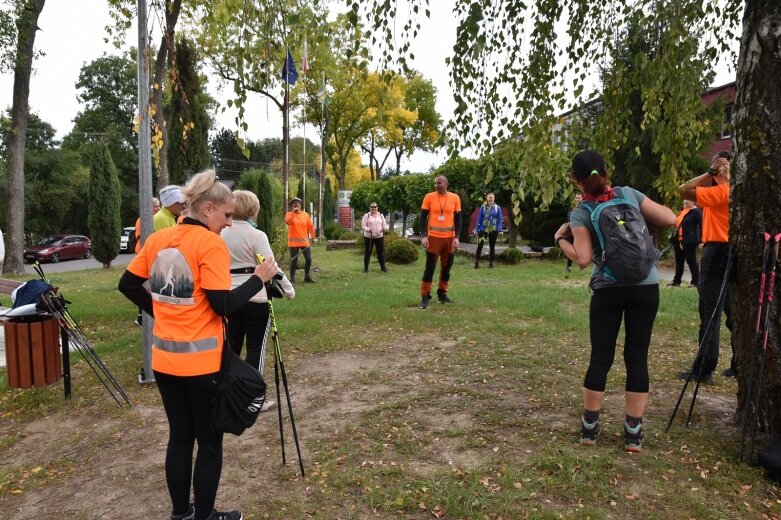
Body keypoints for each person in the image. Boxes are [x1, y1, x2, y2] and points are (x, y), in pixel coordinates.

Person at [119, 169, 279, 520]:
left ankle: (181, 513)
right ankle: (206, 515)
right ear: (207, 209)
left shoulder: (160, 239)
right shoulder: (209, 244)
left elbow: (128, 284)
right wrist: (258, 279)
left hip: (164, 360)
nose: (226, 224)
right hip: (202, 364)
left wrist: (161, 312)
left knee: (179, 438)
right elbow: (223, 305)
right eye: (225, 216)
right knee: (208, 442)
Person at [554, 150, 675, 452]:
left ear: (577, 180)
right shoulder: (628, 194)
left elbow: (582, 259)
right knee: (637, 357)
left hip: (608, 288)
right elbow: (671, 218)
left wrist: (560, 239)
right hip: (645, 286)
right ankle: (633, 433)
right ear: (605, 172)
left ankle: (590, 428)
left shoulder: (581, 213)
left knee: (601, 357)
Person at [221, 190, 294, 413]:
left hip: (228, 297)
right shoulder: (256, 235)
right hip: (255, 298)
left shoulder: (220, 234)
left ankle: (229, 394)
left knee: (231, 348)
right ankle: (253, 399)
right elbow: (271, 267)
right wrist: (289, 290)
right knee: (255, 350)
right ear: (253, 209)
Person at [678, 153, 736, 382]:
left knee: (709, 311)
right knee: (733, 312)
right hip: (731, 250)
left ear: (719, 168)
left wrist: (709, 173)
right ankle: (738, 364)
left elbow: (684, 189)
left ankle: (704, 368)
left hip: (716, 251)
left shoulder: (720, 192)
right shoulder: (736, 192)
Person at [419, 175, 462, 309]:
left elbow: (459, 219)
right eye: (435, 183)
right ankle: (425, 296)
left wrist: (457, 237)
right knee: (430, 268)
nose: (436, 185)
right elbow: (422, 217)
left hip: (449, 238)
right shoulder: (429, 197)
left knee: (446, 268)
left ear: (446, 183)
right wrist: (423, 236)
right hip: (433, 238)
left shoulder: (455, 198)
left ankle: (442, 294)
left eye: (439, 183)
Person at [134, 197, 161, 327]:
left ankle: (143, 316)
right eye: (155, 206)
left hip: (151, 254)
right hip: (143, 254)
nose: (158, 209)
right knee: (144, 286)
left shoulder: (154, 220)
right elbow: (142, 237)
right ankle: (141, 317)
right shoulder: (142, 221)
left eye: (158, 206)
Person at [668, 199, 702, 288]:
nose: (685, 201)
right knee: (679, 261)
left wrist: (702, 240)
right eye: (684, 199)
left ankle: (695, 282)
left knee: (691, 261)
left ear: (694, 201)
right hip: (678, 240)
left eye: (688, 199)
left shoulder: (696, 212)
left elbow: (703, 226)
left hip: (690, 240)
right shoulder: (682, 210)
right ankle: (676, 281)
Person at [284, 197, 316, 284]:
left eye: (297, 204)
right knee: (294, 260)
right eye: (294, 204)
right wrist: (293, 213)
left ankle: (307, 276)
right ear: (292, 206)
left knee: (309, 259)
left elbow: (310, 226)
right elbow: (288, 221)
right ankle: (292, 279)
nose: (296, 205)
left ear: (300, 205)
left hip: (304, 242)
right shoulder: (289, 214)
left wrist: (313, 236)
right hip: (293, 243)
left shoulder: (305, 215)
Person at [473, 193, 503, 269]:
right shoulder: (483, 207)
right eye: (489, 197)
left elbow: (500, 219)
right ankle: (476, 262)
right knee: (480, 245)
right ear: (487, 198)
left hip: (493, 229)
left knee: (492, 246)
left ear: (494, 198)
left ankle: (491, 263)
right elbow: (479, 218)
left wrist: (499, 229)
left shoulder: (497, 208)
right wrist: (477, 228)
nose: (491, 199)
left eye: (492, 197)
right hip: (483, 229)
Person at [361, 202, 389, 273]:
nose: (373, 208)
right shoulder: (366, 215)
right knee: (368, 252)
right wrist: (368, 229)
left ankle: (383, 268)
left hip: (379, 237)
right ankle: (366, 269)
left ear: (377, 208)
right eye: (372, 207)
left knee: (381, 253)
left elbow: (385, 225)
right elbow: (363, 226)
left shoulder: (381, 215)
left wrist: (383, 228)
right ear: (370, 208)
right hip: (369, 237)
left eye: (375, 207)